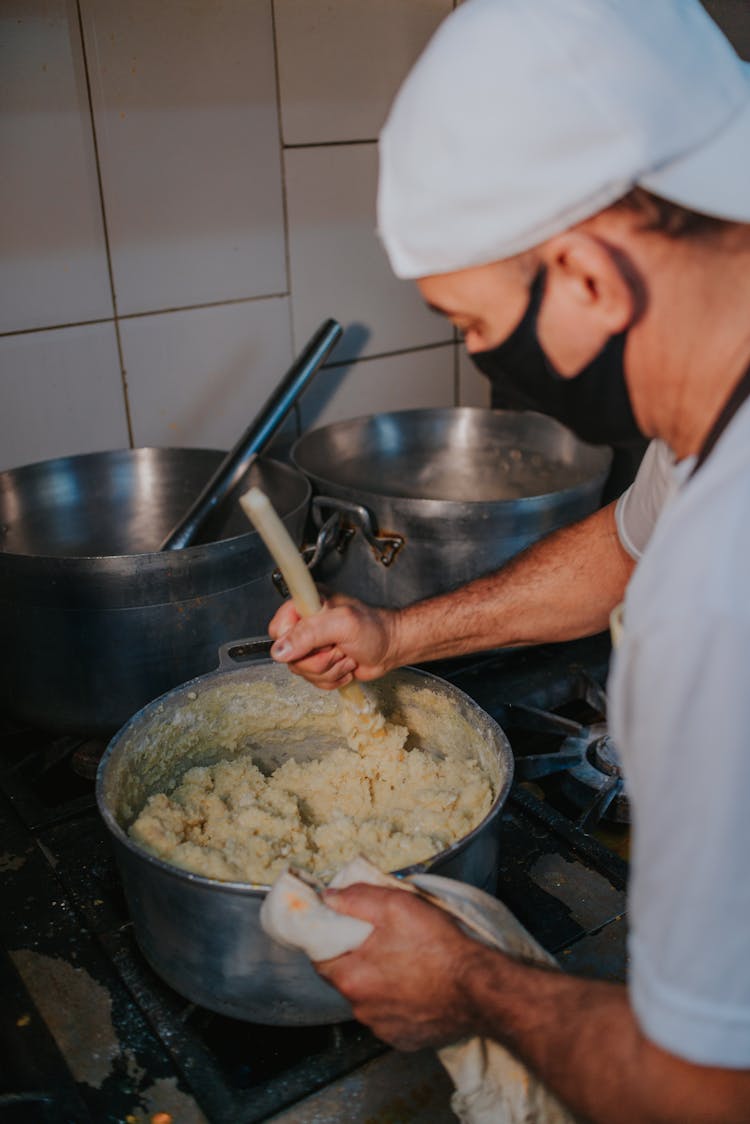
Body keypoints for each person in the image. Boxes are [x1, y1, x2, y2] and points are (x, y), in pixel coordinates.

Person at [267, 2, 750, 1120]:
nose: (485, 353)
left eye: (471, 323)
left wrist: (466, 982)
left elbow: (702, 1097)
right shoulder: (716, 408)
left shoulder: (721, 589)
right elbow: (625, 544)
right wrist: (397, 634)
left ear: (586, 272)